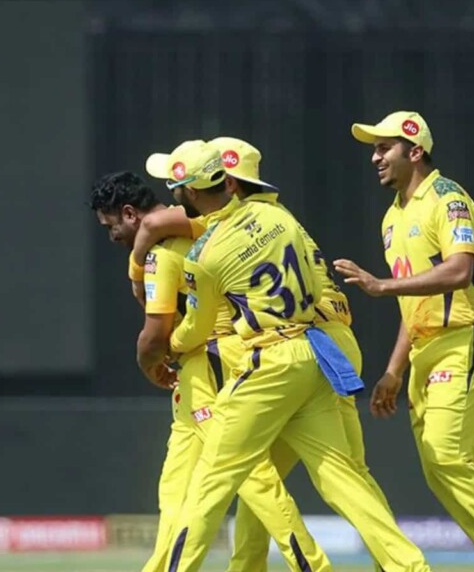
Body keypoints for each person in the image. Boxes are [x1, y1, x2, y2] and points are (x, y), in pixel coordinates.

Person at [148, 140, 430, 572]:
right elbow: (316, 289)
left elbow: (197, 328)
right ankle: (411, 567)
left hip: (270, 364)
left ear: (187, 191)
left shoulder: (203, 256)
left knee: (211, 482)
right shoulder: (279, 216)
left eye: (175, 188)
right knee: (341, 477)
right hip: (314, 354)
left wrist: (169, 346)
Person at [89, 171, 330, 572]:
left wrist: (150, 362)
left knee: (255, 483)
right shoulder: (203, 226)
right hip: (197, 374)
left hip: (213, 368)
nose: (110, 235)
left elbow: (154, 336)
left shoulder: (163, 252)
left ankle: (315, 567)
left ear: (128, 214)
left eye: (110, 225)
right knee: (176, 491)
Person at [333, 111, 474, 572]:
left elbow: (460, 270)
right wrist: (393, 371)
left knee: (446, 454)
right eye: (374, 148)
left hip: (466, 335)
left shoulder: (447, 197)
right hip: (426, 348)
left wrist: (381, 286)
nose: (375, 157)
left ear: (415, 150)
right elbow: (416, 303)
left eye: (384, 148)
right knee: (439, 466)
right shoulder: (392, 218)